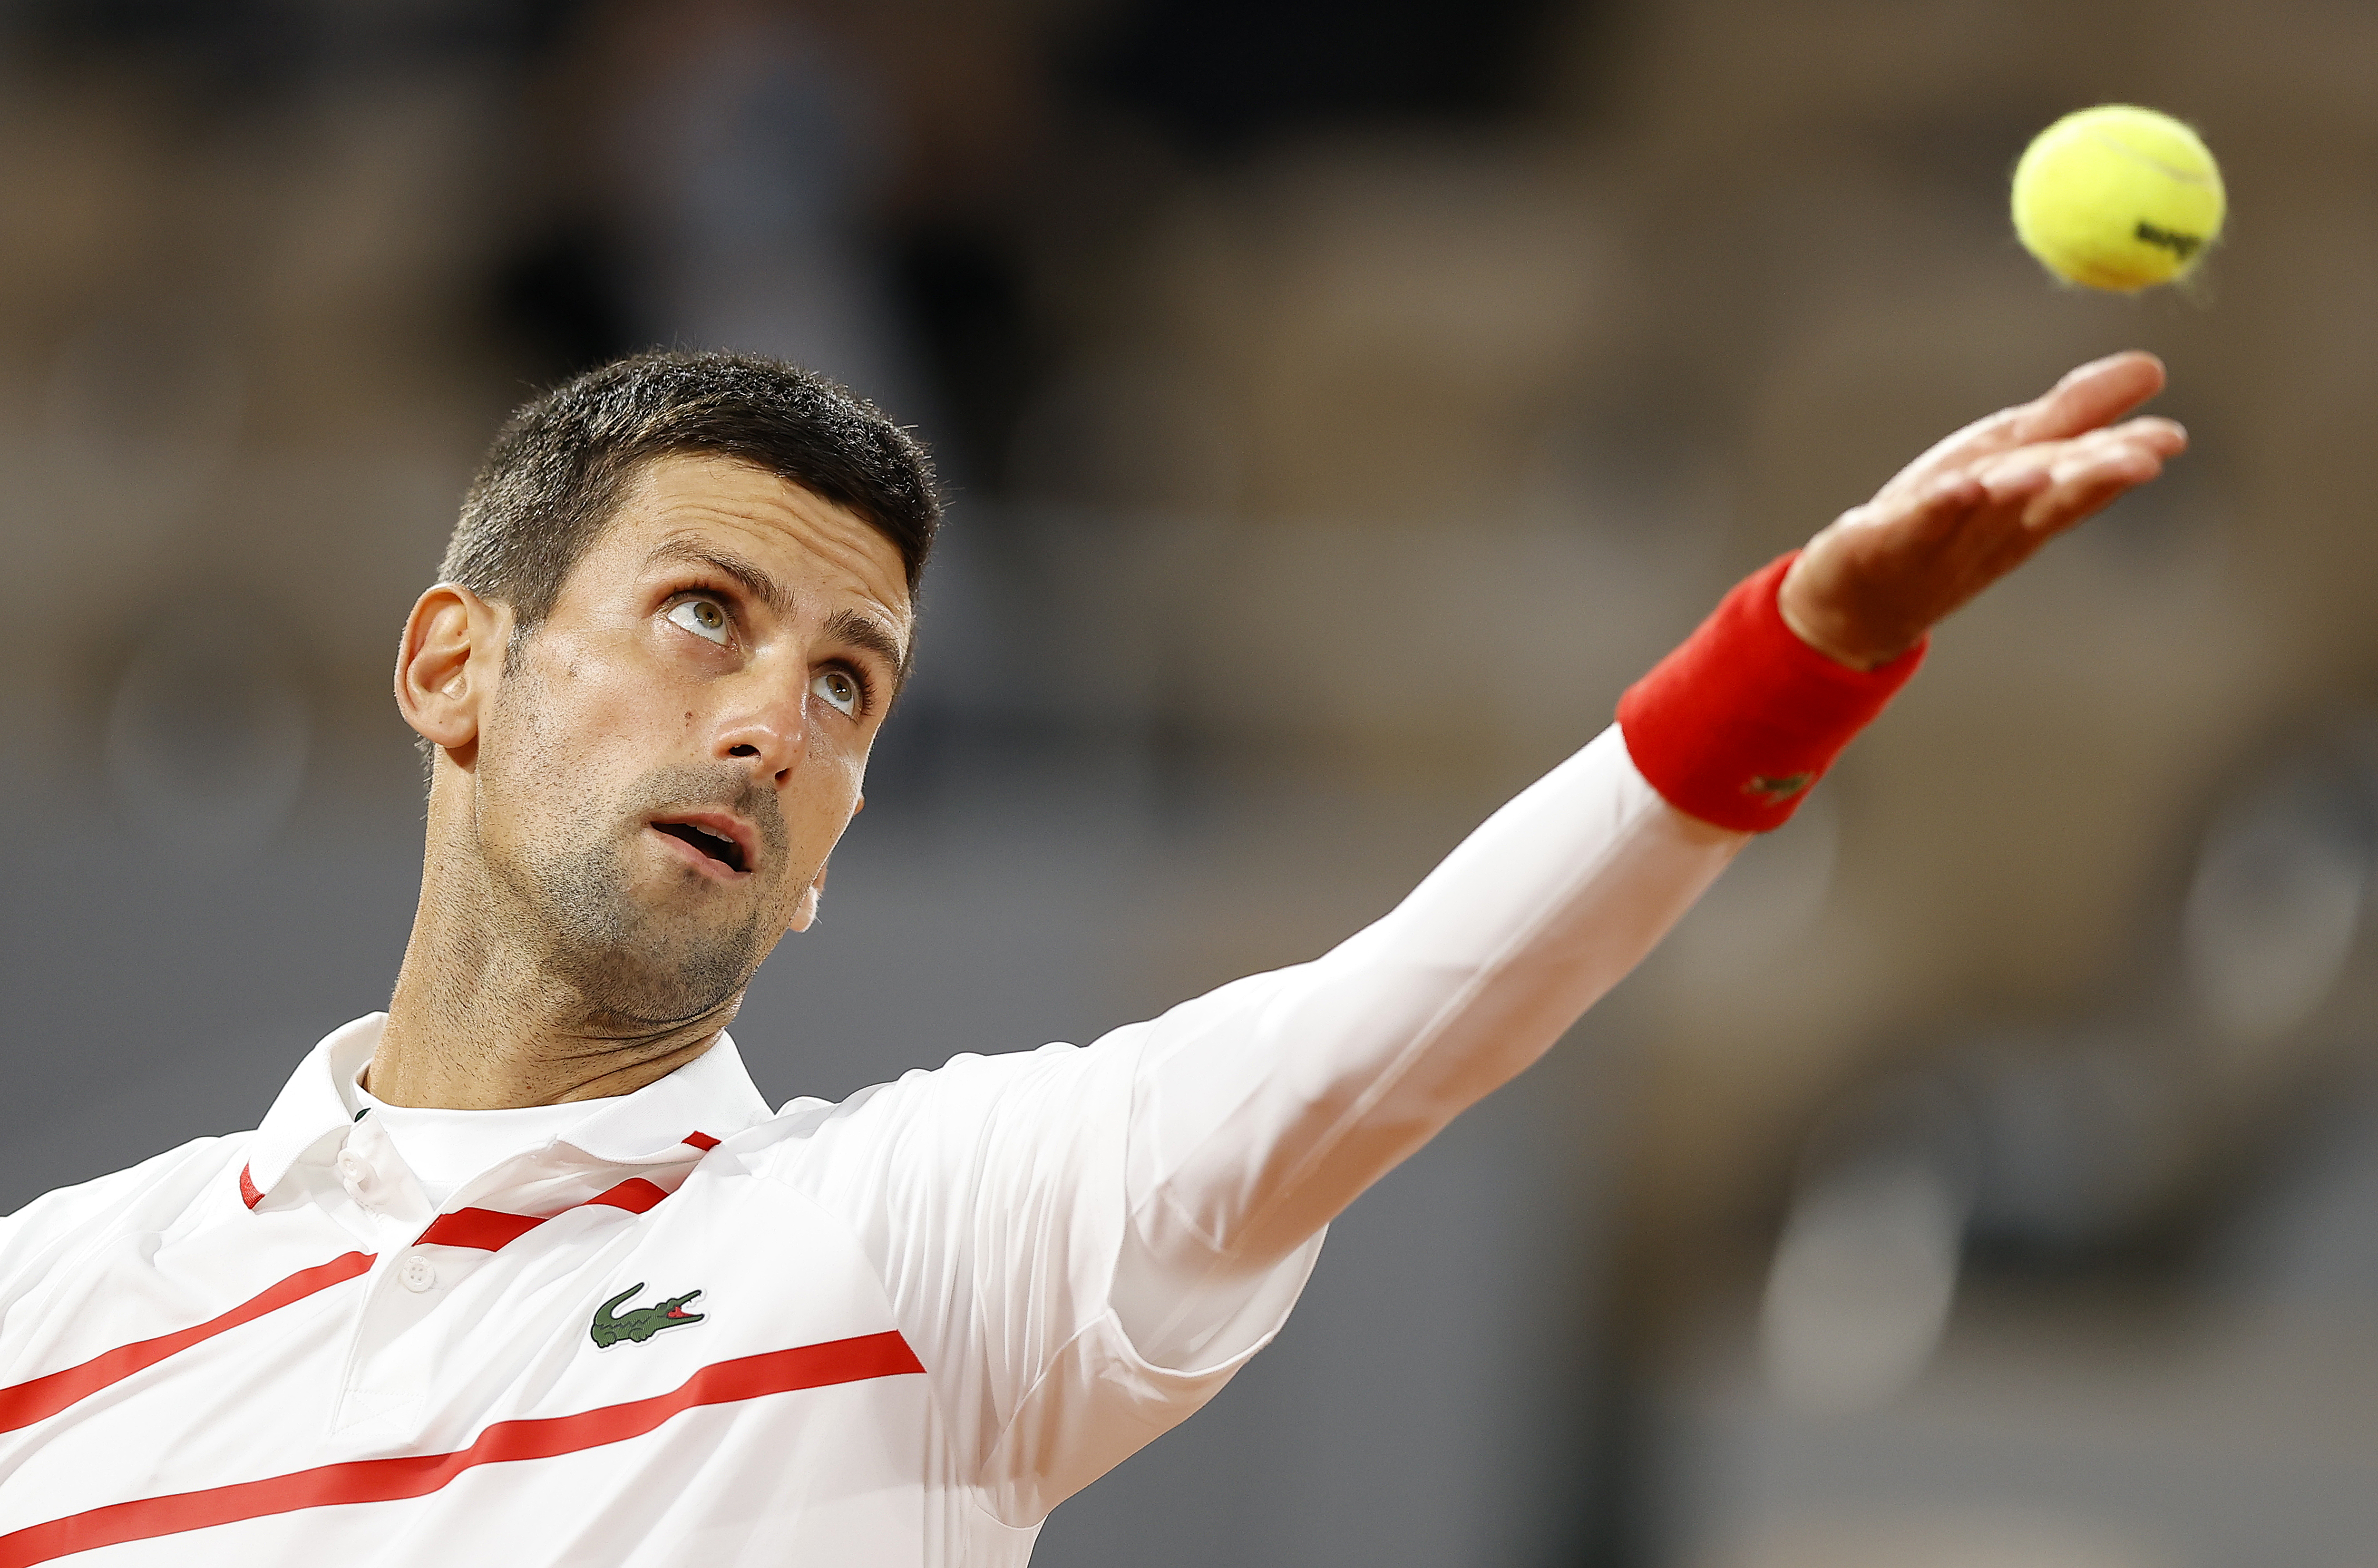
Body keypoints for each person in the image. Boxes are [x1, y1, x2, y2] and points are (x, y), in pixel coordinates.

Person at [0, 349, 2183, 1564]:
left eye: (851, 686)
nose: (777, 718)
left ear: (836, 847)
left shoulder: (914, 1244)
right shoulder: (53, 1307)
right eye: (705, 619)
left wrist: (1792, 654)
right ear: (454, 666)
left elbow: (1390, 1026)